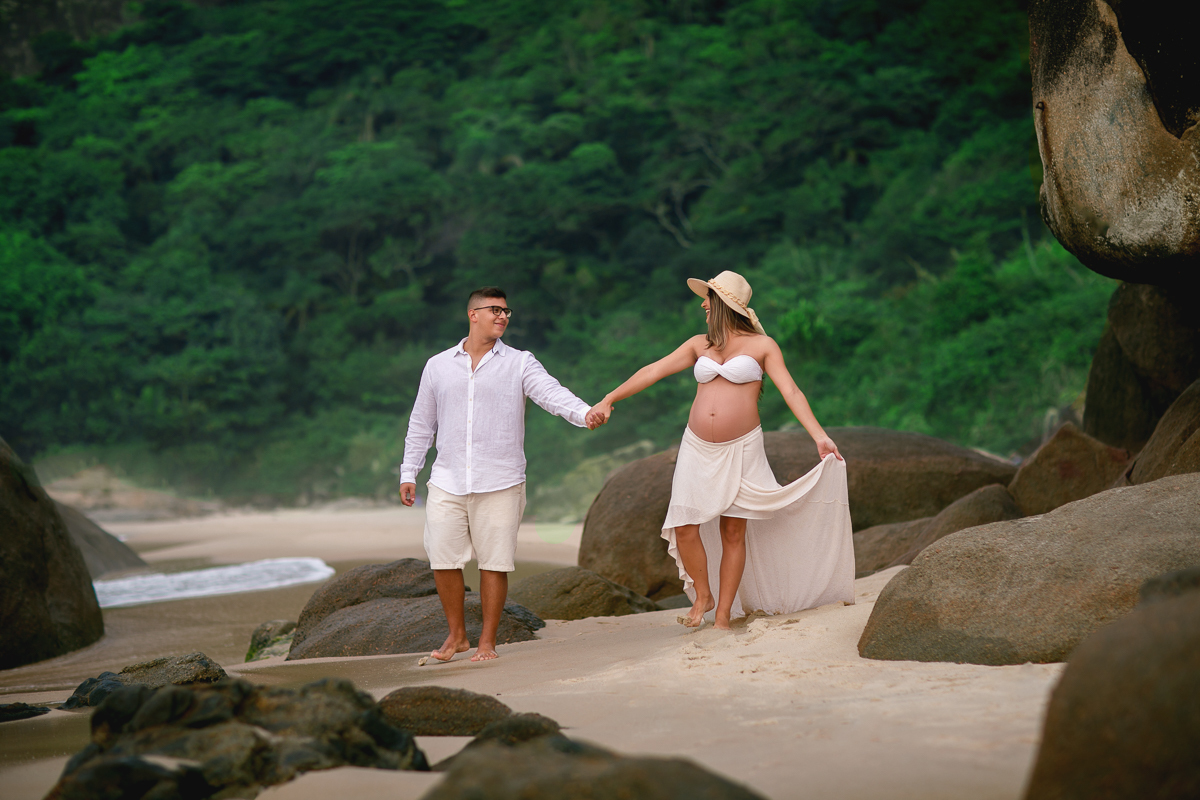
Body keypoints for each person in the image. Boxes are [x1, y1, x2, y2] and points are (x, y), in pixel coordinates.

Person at [586, 271, 854, 630]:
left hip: (743, 448)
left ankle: (723, 615)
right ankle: (704, 595)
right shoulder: (699, 344)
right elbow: (654, 370)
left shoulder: (763, 346)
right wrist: (609, 398)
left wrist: (819, 436)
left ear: (725, 304)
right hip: (696, 447)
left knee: (732, 533)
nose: (702, 304)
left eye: (708, 298)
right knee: (684, 525)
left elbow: (792, 392)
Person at [399, 286, 604, 662]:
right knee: (443, 559)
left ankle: (487, 643)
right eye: (495, 310)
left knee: (495, 561)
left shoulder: (520, 362)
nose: (503, 316)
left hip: (502, 479)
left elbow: (552, 394)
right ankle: (457, 636)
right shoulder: (437, 365)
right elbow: (421, 422)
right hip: (447, 478)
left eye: (507, 311)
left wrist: (583, 413)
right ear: (472, 314)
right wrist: (408, 471)